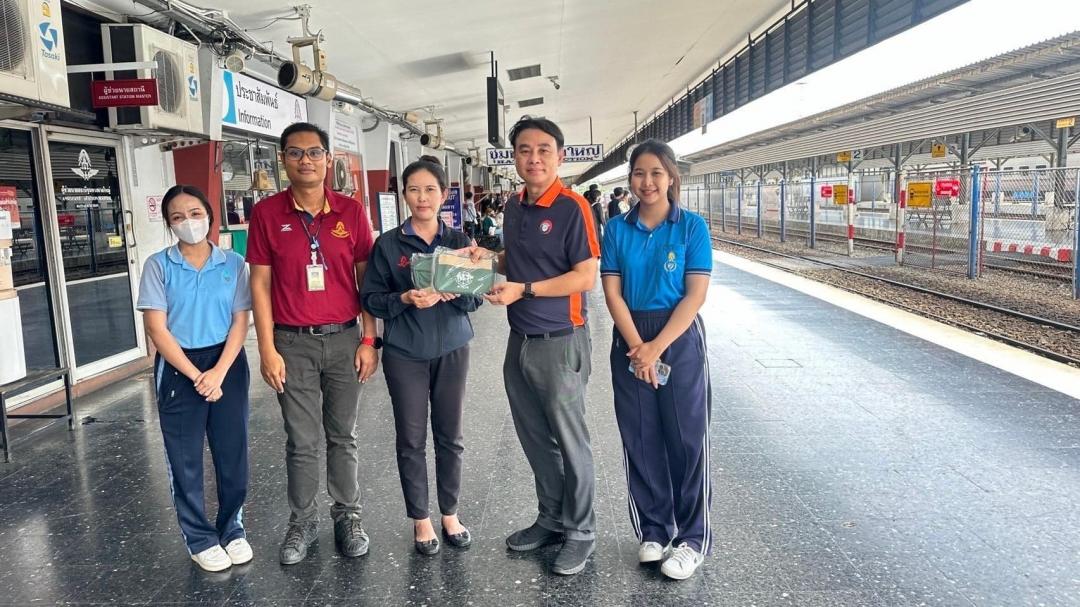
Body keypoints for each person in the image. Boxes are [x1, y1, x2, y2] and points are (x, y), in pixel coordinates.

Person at [470, 117, 600, 576]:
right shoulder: (514, 205)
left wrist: (523, 290)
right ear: (514, 158)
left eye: (544, 149)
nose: (534, 158)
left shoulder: (573, 207)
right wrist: (489, 259)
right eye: (525, 150)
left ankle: (581, 531)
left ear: (560, 156)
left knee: (569, 440)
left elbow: (585, 276)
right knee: (534, 438)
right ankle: (552, 517)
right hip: (519, 340)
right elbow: (518, 259)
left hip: (561, 341)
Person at [246, 122, 379, 565]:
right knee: (301, 440)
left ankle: (348, 515)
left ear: (328, 159)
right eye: (296, 152)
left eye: (314, 152)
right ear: (283, 160)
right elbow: (259, 285)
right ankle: (301, 522)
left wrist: (369, 339)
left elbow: (366, 282)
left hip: (345, 340)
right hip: (292, 343)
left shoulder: (351, 212)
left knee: (343, 435)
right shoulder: (266, 213)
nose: (306, 160)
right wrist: (266, 348)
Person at [600, 139, 713, 580]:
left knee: (686, 438)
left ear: (671, 177)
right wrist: (639, 347)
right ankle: (654, 529)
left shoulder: (691, 228)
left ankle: (692, 538)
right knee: (641, 437)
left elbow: (695, 295)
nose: (646, 182)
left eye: (656, 173)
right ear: (630, 178)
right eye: (639, 173)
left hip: (678, 336)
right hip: (630, 335)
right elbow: (612, 293)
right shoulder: (616, 229)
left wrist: (655, 347)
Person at [360, 156, 481, 556]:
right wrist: (405, 299)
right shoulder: (389, 245)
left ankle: (450, 513)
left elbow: (476, 298)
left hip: (452, 348)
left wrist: (456, 292)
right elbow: (371, 299)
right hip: (405, 353)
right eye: (414, 189)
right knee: (411, 438)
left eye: (430, 189)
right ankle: (421, 518)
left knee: (451, 435)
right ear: (404, 195)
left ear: (444, 195)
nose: (422, 197)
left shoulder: (460, 242)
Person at [136, 185, 253, 572]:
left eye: (195, 213)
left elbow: (241, 322)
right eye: (177, 217)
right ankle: (199, 538)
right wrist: (196, 375)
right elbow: (156, 328)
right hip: (178, 366)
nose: (188, 222)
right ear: (169, 225)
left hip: (227, 362)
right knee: (184, 457)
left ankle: (232, 528)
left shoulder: (233, 264)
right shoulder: (158, 266)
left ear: (209, 214)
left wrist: (218, 372)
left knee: (233, 452)